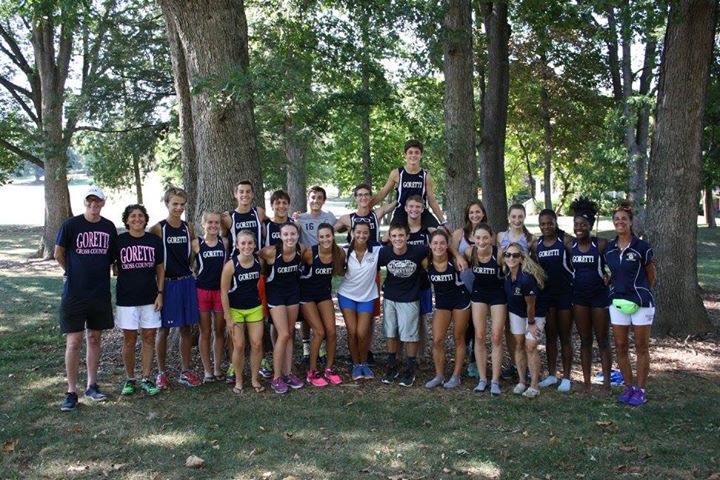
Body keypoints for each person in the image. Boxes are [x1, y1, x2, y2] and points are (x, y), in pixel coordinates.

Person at [55, 186, 118, 411]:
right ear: (85, 203)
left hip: (99, 292)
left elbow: (113, 259)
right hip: (75, 293)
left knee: (94, 338)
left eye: (97, 201)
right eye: (90, 201)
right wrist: (70, 272)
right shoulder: (71, 225)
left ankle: (92, 385)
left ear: (102, 203)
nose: (93, 205)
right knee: (73, 341)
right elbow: (58, 253)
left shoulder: (108, 227)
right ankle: (71, 391)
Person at [605, 201, 656, 407]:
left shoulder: (642, 247)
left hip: (641, 302)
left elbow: (651, 274)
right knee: (621, 346)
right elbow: (609, 273)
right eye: (616, 219)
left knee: (642, 347)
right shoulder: (609, 249)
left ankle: (641, 390)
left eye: (623, 219)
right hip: (617, 302)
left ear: (630, 222)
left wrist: (642, 291)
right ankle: (629, 387)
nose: (620, 222)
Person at [151, 187, 201, 389]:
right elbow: (152, 258)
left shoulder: (188, 228)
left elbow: (192, 254)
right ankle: (161, 372)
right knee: (163, 329)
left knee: (186, 328)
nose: (178, 208)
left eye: (182, 205)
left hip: (186, 281)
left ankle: (185, 371)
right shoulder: (157, 228)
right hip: (167, 283)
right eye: (175, 204)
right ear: (167, 204)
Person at [115, 204, 163, 397]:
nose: (137, 219)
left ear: (145, 219)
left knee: (149, 337)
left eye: (140, 216)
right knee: (129, 339)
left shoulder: (154, 241)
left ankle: (146, 377)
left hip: (150, 297)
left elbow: (160, 268)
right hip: (126, 298)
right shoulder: (119, 241)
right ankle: (130, 378)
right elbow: (111, 265)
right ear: (127, 220)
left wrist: (160, 292)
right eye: (133, 216)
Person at [379, 223, 430, 387]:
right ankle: (392, 365)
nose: (397, 239)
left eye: (401, 235)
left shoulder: (419, 251)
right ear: (389, 238)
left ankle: (410, 368)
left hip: (410, 298)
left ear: (407, 237)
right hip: (390, 298)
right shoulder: (385, 252)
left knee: (410, 335)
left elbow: (438, 248)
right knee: (390, 333)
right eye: (394, 236)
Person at [569, 197, 611, 393]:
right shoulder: (570, 246)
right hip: (580, 298)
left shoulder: (601, 244)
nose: (579, 228)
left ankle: (606, 384)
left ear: (590, 226)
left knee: (602, 340)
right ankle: (586, 383)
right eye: (576, 224)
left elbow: (615, 264)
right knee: (585, 340)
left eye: (583, 225)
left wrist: (610, 276)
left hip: (599, 297)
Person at [531, 209, 574, 393]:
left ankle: (566, 377)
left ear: (556, 222)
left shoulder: (565, 241)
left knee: (565, 336)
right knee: (550, 337)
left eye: (550, 223)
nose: (546, 226)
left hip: (565, 293)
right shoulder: (536, 244)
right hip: (546, 295)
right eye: (543, 224)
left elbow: (578, 262)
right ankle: (551, 375)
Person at [293, 186, 337, 365]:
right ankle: (306, 346)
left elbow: (341, 227)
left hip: (323, 266)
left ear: (324, 200)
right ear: (308, 198)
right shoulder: (300, 218)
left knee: (322, 310)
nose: (316, 200)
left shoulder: (330, 217)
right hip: (306, 264)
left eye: (320, 197)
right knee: (306, 315)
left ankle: (321, 348)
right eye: (313, 197)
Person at [422, 230, 471, 390]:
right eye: (435, 243)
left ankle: (456, 376)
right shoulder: (426, 262)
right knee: (437, 340)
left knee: (458, 337)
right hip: (442, 302)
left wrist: (456, 255)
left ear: (447, 245)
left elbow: (457, 235)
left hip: (460, 300)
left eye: (442, 243)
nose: (438, 246)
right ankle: (439, 375)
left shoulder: (456, 261)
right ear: (430, 245)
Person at [259, 222, 304, 394]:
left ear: (297, 235)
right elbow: (254, 256)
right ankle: (276, 377)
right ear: (280, 236)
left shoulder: (302, 250)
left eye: (293, 234)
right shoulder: (271, 252)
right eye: (286, 234)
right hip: (275, 295)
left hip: (293, 293)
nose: (289, 237)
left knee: (290, 333)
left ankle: (288, 373)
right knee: (283, 333)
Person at [300, 223, 346, 386]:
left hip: (324, 295)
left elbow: (341, 271)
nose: (325, 239)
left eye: (328, 236)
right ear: (317, 238)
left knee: (331, 332)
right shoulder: (310, 253)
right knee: (319, 332)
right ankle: (312, 371)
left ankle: (329, 368)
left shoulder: (339, 253)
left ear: (332, 236)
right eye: (321, 237)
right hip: (306, 296)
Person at [220, 230, 266, 394]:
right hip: (236, 310)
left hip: (254, 308)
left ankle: (254, 379)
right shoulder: (231, 265)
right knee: (239, 346)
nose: (247, 246)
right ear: (237, 245)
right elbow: (224, 291)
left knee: (257, 344)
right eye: (243, 243)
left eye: (250, 243)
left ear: (254, 245)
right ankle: (239, 380)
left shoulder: (259, 261)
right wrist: (228, 316)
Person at [337, 222, 381, 380]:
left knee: (362, 333)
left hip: (367, 297)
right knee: (352, 331)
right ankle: (356, 365)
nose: (361, 236)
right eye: (358, 232)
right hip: (347, 295)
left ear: (369, 234)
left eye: (365, 233)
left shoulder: (376, 249)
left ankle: (364, 364)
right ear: (353, 233)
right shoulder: (345, 251)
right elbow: (337, 269)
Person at [466, 223, 507, 396]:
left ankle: (495, 380)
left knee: (496, 336)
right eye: (478, 238)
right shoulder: (470, 252)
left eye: (485, 237)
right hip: (479, 294)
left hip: (498, 294)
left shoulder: (498, 254)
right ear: (473, 238)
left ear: (491, 238)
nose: (481, 241)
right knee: (480, 335)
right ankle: (483, 379)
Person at [502, 242, 547, 398]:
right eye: (508, 255)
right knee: (519, 345)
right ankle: (522, 381)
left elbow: (531, 305)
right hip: (516, 312)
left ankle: (534, 385)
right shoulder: (506, 275)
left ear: (521, 258)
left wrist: (532, 323)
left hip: (534, 314)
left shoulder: (526, 278)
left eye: (515, 255)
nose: (511, 258)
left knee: (531, 346)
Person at [370, 139, 447, 229]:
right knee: (390, 237)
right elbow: (383, 193)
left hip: (420, 211)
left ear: (421, 155)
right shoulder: (397, 173)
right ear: (405, 155)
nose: (413, 155)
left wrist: (443, 221)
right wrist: (369, 206)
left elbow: (432, 201)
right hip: (401, 212)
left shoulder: (426, 175)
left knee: (438, 233)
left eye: (416, 152)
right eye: (410, 152)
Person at [450, 200, 488, 378]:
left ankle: (474, 360)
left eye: (478, 212)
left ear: (483, 213)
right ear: (467, 215)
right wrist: (459, 256)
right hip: (462, 284)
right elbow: (450, 246)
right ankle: (461, 358)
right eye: (472, 212)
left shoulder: (489, 233)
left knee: (476, 324)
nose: (475, 215)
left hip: (481, 285)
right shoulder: (460, 233)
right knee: (464, 324)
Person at [496, 203, 534, 381]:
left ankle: (527, 365)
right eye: (514, 217)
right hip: (504, 284)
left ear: (524, 218)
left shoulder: (530, 238)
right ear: (509, 218)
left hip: (522, 286)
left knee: (522, 329)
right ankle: (514, 364)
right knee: (508, 329)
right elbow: (498, 260)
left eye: (520, 217)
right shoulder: (501, 236)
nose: (517, 220)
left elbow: (533, 264)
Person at [192, 210, 229, 383]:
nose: (214, 226)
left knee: (219, 331)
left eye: (216, 223)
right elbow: (189, 263)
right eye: (210, 223)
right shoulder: (196, 244)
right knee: (205, 331)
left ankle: (217, 368)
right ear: (203, 224)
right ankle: (207, 370)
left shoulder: (225, 242)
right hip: (202, 292)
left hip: (221, 292)